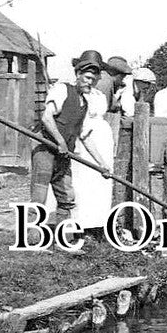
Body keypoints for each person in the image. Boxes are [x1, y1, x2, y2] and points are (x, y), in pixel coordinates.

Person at [32, 50, 104, 235]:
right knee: (39, 198)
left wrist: (102, 164)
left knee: (66, 197)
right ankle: (31, 240)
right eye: (87, 77)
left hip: (63, 155)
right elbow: (47, 118)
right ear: (78, 74)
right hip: (45, 150)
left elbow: (85, 136)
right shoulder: (62, 89)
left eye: (94, 80)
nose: (90, 82)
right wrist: (60, 141)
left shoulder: (85, 104)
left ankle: (63, 238)